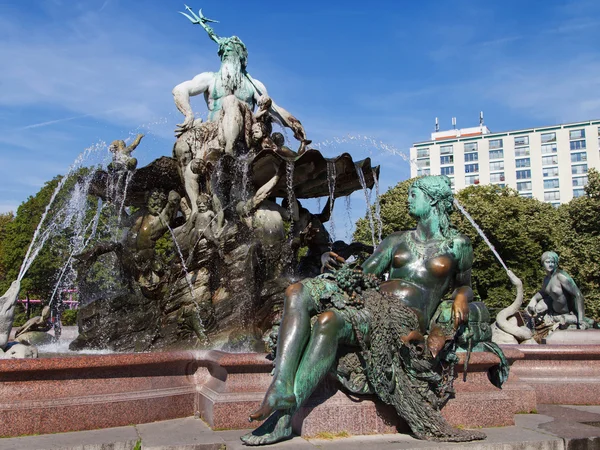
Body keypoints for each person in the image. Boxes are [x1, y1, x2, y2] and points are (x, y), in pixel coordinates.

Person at [241, 175, 474, 445]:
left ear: (432, 199)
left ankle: (284, 419)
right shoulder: (396, 240)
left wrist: (461, 297)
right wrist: (328, 261)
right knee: (296, 291)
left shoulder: (459, 244)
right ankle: (281, 385)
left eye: (414, 195)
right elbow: (361, 274)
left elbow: (464, 285)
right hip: (371, 302)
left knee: (328, 321)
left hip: (402, 317)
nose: (408, 200)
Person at [172, 15, 309, 154]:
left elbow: (275, 110)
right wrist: (188, 114)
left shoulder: (254, 85)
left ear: (241, 57)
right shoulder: (210, 78)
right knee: (182, 146)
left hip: (246, 132)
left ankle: (229, 153)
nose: (226, 54)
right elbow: (180, 89)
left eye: (230, 51)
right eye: (223, 52)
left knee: (231, 100)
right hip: (213, 128)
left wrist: (294, 123)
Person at [526, 251, 594, 330]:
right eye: (547, 262)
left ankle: (578, 320)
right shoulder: (546, 279)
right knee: (537, 308)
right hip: (554, 312)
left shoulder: (560, 276)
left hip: (568, 313)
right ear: (543, 263)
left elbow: (579, 295)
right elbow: (543, 292)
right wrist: (533, 299)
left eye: (553, 262)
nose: (550, 264)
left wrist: (581, 320)